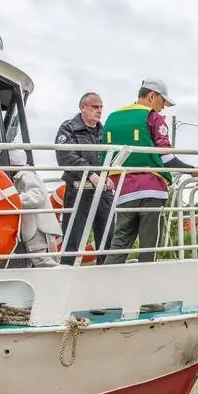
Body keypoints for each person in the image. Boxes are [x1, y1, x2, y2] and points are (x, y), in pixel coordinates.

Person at [101, 78, 198, 264]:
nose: (163, 108)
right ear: (152, 96)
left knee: (120, 242)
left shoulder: (112, 118)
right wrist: (193, 171)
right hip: (151, 189)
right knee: (150, 245)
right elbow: (166, 158)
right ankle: (147, 286)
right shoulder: (153, 117)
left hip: (123, 190)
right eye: (162, 102)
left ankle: (109, 282)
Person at [55, 92, 115, 265]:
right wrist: (90, 174)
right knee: (74, 240)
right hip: (78, 190)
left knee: (107, 238)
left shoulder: (105, 133)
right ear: (82, 107)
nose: (99, 111)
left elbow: (112, 156)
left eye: (101, 107)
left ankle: (107, 276)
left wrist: (109, 175)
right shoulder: (69, 128)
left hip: (104, 192)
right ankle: (70, 276)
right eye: (94, 107)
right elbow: (65, 156)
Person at [9, 149, 62, 268]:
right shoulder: (27, 174)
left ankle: (63, 279)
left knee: (41, 259)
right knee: (41, 259)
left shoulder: (25, 175)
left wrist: (14, 199)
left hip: (38, 228)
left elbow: (38, 195)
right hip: (37, 228)